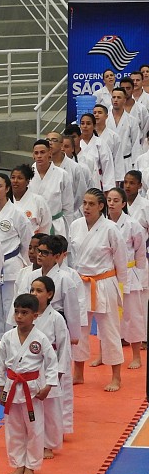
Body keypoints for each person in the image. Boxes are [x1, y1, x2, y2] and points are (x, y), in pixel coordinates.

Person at [68, 188, 127, 391]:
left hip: (104, 282)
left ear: (101, 206)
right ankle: (78, 373)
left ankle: (116, 377)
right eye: (84, 203)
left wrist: (121, 286)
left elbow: (121, 258)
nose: (86, 207)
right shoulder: (75, 225)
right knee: (79, 329)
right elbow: (72, 257)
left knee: (109, 330)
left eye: (91, 204)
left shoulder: (110, 228)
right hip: (81, 282)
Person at [0, 293, 58, 474]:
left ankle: (31, 465)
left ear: (35, 315)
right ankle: (18, 464)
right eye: (17, 312)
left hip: (32, 390)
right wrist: (0, 389)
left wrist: (48, 386)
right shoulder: (7, 337)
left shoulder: (40, 338)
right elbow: (0, 364)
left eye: (24, 312)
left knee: (34, 429)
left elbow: (52, 363)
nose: (19, 316)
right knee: (14, 429)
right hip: (12, 387)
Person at [0, 173, 32, 341]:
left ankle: (12, 340)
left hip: (11, 265)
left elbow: (27, 241)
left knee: (11, 305)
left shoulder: (17, 213)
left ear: (7, 189)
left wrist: (24, 263)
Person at [29, 276, 70, 459]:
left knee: (51, 409)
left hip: (49, 367)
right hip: (30, 366)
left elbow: (63, 347)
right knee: (31, 406)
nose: (34, 294)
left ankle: (49, 444)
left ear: (50, 294)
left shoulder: (56, 318)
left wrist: (59, 372)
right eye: (32, 290)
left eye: (39, 291)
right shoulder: (27, 315)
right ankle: (34, 441)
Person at [106, 188, 145, 370]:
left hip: (129, 274)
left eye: (116, 200)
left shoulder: (132, 224)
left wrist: (138, 273)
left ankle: (136, 356)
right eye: (109, 200)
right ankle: (104, 354)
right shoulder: (103, 224)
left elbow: (140, 251)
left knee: (132, 316)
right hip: (108, 275)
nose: (111, 203)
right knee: (107, 316)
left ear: (123, 203)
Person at [30, 139, 74, 236]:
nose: (39, 156)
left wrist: (68, 231)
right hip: (32, 226)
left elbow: (68, 207)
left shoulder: (62, 175)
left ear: (49, 153)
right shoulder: (27, 175)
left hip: (55, 226)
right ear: (33, 155)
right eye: (36, 153)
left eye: (42, 152)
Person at [78, 113, 116, 191]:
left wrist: (108, 188)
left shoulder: (100, 143)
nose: (85, 126)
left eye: (88, 123)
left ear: (94, 126)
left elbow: (107, 166)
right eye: (82, 123)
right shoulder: (76, 142)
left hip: (96, 180)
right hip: (79, 181)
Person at [11, 164, 52, 235]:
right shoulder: (5, 199)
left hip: (32, 240)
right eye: (13, 177)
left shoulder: (38, 201)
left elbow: (46, 226)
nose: (15, 181)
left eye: (20, 178)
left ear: (27, 181)